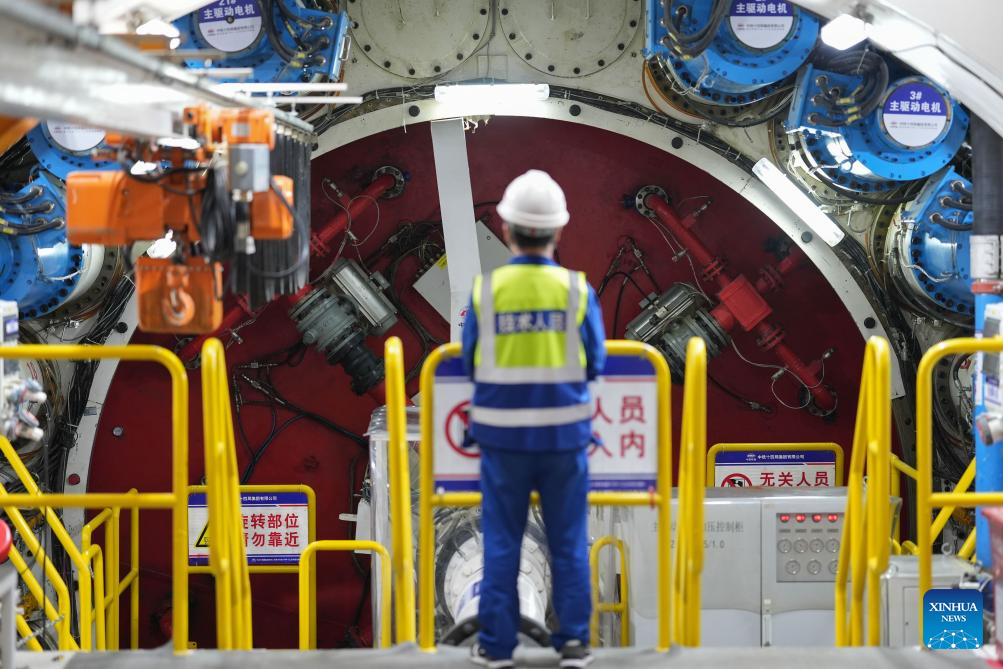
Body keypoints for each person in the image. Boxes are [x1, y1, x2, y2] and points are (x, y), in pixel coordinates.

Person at [461, 170, 606, 669]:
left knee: (502, 541)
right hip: (565, 440)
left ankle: (497, 648)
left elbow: (470, 361)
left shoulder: (487, 292)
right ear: (558, 232)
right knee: (568, 541)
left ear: (506, 229)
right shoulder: (577, 292)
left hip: (502, 443)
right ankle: (574, 644)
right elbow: (597, 362)